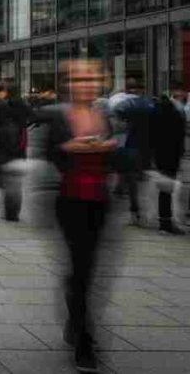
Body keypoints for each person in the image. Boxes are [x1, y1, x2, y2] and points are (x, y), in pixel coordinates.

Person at [30, 59, 116, 374]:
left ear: (101, 82)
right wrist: (71, 147)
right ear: (68, 83)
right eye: (78, 79)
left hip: (100, 201)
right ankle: (84, 341)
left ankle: (75, 320)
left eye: (91, 79)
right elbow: (46, 155)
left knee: (89, 271)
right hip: (70, 200)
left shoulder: (104, 115)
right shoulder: (57, 115)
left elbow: (121, 158)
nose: (85, 84)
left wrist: (109, 148)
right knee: (80, 270)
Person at [109, 79, 154, 226]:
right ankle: (143, 212)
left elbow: (115, 124)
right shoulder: (148, 103)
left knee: (130, 178)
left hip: (127, 146)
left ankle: (135, 211)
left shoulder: (121, 103)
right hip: (145, 147)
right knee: (141, 179)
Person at [0, 82, 30, 222]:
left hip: (5, 151)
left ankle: (10, 213)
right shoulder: (22, 106)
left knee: (8, 184)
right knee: (15, 183)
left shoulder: (1, 107)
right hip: (19, 150)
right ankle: (13, 213)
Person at [151, 90, 186, 235]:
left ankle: (164, 222)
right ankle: (167, 223)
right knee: (168, 190)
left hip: (160, 157)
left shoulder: (155, 115)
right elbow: (180, 139)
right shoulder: (176, 115)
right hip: (172, 158)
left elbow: (151, 137)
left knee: (163, 190)